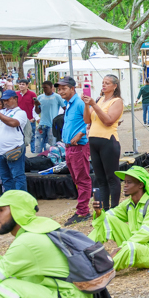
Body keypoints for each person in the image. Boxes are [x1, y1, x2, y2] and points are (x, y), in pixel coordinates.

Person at [89, 165, 149, 271]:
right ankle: (83, 252)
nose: (125, 185)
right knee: (107, 220)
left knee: (130, 248)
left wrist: (121, 248)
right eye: (124, 182)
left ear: (141, 185)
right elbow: (107, 217)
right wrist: (99, 212)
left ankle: (99, 271)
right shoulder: (128, 204)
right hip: (134, 241)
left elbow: (144, 235)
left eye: (129, 182)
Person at [84, 75, 124, 212]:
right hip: (94, 141)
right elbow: (87, 119)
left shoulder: (117, 101)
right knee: (100, 178)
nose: (104, 85)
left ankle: (114, 208)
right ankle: (105, 208)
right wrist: (87, 104)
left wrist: (94, 105)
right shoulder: (100, 100)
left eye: (107, 83)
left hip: (108, 141)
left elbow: (108, 120)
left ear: (115, 86)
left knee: (111, 177)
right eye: (103, 83)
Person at [56, 76, 92, 226]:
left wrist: (81, 133)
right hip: (69, 148)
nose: (61, 91)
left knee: (82, 179)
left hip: (79, 147)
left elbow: (90, 121)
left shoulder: (79, 103)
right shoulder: (68, 104)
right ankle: (82, 209)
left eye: (64, 88)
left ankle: (83, 211)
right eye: (59, 89)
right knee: (77, 179)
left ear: (72, 88)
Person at [0, 89, 29, 194]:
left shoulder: (20, 112)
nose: (5, 102)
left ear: (15, 99)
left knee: (17, 176)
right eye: (4, 100)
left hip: (14, 149)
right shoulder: (1, 112)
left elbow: (13, 123)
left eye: (8, 100)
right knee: (5, 177)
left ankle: (21, 200)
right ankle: (10, 199)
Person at [33, 81, 64, 154]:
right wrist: (36, 105)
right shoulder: (40, 97)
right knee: (38, 145)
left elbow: (64, 108)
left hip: (52, 125)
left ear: (51, 87)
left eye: (46, 87)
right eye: (43, 88)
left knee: (51, 146)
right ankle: (38, 159)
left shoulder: (57, 97)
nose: (44, 89)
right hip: (42, 124)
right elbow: (38, 112)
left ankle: (51, 159)